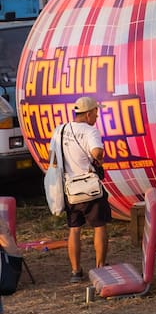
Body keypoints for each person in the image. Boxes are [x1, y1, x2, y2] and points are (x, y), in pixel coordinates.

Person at [49, 96, 110, 282]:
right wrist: (99, 158)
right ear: (89, 113)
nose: (97, 117)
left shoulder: (60, 130)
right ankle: (100, 267)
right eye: (96, 113)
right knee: (99, 226)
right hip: (90, 189)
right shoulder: (91, 131)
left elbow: (52, 158)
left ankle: (76, 271)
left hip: (70, 190)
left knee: (74, 229)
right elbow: (97, 152)